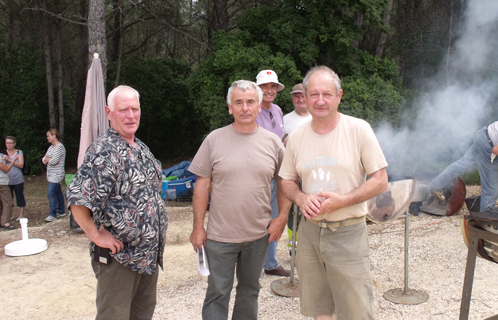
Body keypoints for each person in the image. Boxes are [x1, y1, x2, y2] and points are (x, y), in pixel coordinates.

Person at [279, 65, 388, 320]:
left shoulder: (358, 129)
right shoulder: (296, 137)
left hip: (348, 232)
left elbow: (380, 180)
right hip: (309, 232)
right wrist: (301, 198)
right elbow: (287, 181)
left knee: (356, 311)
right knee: (319, 309)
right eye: (313, 94)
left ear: (339, 96)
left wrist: (343, 201)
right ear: (304, 98)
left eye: (327, 94)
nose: (320, 100)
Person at [189, 80, 290, 319]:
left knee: (249, 291)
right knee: (217, 292)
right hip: (220, 237)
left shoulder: (272, 143)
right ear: (229, 107)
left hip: (258, 236)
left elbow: (285, 182)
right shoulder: (214, 140)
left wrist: (282, 217)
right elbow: (201, 185)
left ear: (258, 106)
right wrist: (197, 228)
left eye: (250, 102)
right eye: (239, 102)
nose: (245, 108)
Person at [67, 85, 167, 320]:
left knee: (142, 314)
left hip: (147, 256)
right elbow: (77, 200)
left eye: (135, 109)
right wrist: (96, 235)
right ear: (108, 112)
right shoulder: (104, 151)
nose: (131, 115)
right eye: (123, 110)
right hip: (120, 259)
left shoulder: (140, 147)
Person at [255, 69, 290, 277]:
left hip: (280, 172)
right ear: (257, 89)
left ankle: (270, 263)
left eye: (272, 86)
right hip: (261, 175)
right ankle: (251, 265)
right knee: (257, 219)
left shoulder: (277, 110)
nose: (269, 90)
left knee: (276, 217)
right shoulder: (252, 110)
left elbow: (280, 139)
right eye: (264, 86)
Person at [428, 121, 498, 211]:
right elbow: (495, 149)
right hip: (488, 145)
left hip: (483, 135)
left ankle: (435, 185)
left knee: (462, 165)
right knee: (490, 189)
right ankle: (486, 217)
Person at [282, 83, 312, 254]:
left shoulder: (317, 117)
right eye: (296, 96)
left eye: (302, 95)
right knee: (292, 213)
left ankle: (310, 247)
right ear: (292, 98)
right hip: (291, 174)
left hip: (312, 173)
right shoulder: (285, 120)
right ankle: (293, 245)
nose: (300, 99)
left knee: (311, 208)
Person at [42, 128, 66, 222]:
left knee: (51, 192)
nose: (47, 138)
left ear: (54, 135)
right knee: (57, 192)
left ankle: (52, 214)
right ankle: (61, 210)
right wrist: (47, 160)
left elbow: (54, 161)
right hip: (50, 173)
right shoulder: (51, 147)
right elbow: (44, 159)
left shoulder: (59, 147)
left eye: (49, 136)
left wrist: (48, 160)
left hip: (57, 173)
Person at [3, 136, 26, 220]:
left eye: (10, 143)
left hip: (17, 179)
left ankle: (21, 215)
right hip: (6, 179)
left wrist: (9, 160)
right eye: (7, 143)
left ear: (14, 144)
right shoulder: (3, 153)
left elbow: (21, 165)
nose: (8, 145)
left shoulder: (19, 152)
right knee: (8, 198)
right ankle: (9, 214)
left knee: (19, 196)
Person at [0, 152, 18, 230]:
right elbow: (6, 169)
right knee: (8, 202)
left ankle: (1, 220)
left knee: (1, 203)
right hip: (2, 183)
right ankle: (6, 222)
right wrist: (13, 160)